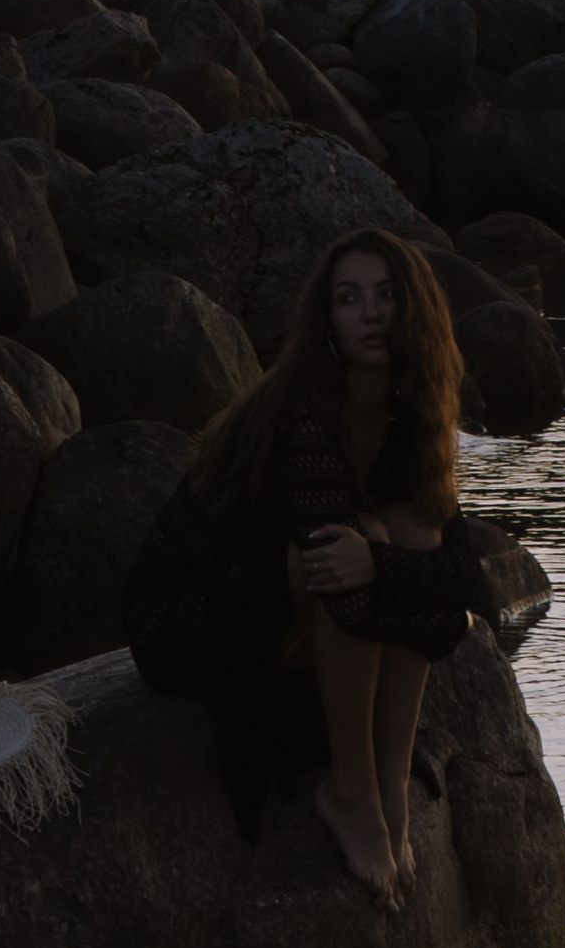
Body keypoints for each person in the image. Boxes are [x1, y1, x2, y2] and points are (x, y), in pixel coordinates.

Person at [122, 228, 495, 906]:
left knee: (409, 531)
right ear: (326, 319)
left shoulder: (410, 416)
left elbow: (470, 587)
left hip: (284, 605)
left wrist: (385, 562)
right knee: (354, 543)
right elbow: (341, 580)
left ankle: (388, 787)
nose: (370, 313)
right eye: (348, 299)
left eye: (386, 294)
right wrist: (387, 565)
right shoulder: (304, 413)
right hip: (190, 617)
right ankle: (350, 791)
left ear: (415, 307)